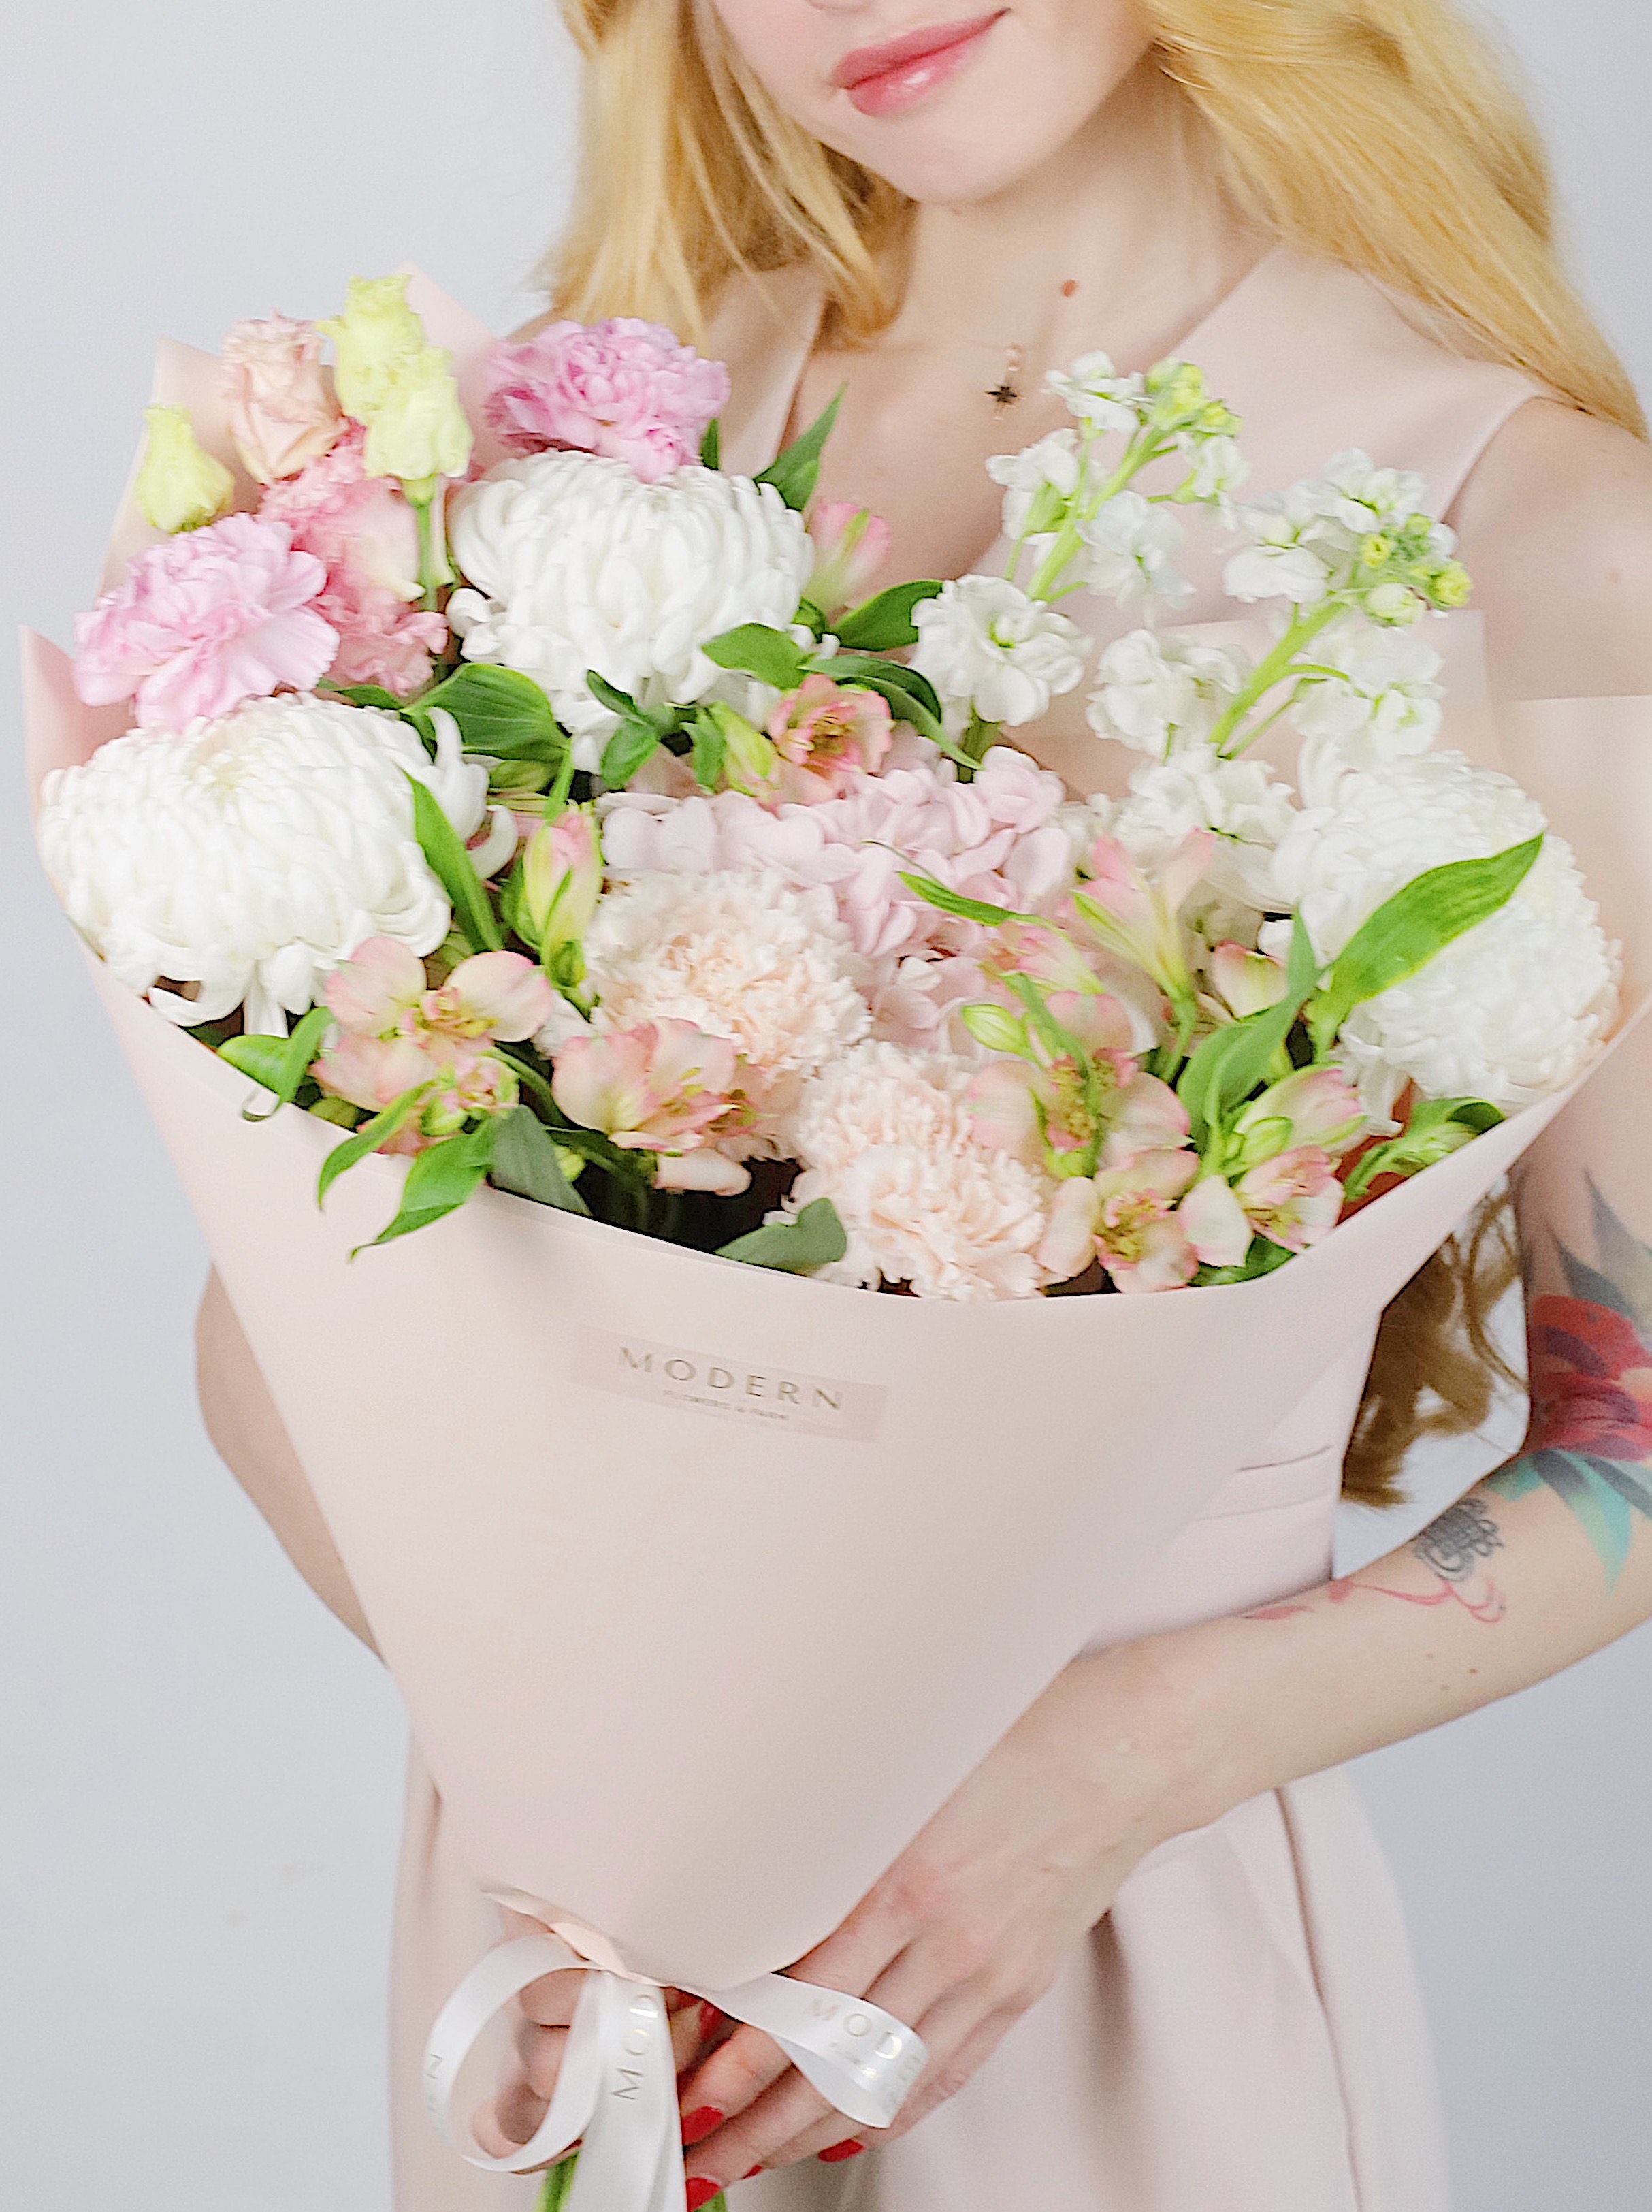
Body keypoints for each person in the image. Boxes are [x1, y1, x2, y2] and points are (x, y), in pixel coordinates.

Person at [196, 3, 1652, 2206]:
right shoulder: (607, 445)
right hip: (586, 1935)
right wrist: (604, 1780)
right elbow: (286, 1308)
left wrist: (1101, 1774)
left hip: (1062, 1938)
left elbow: (1632, 1442)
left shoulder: (1538, 526)